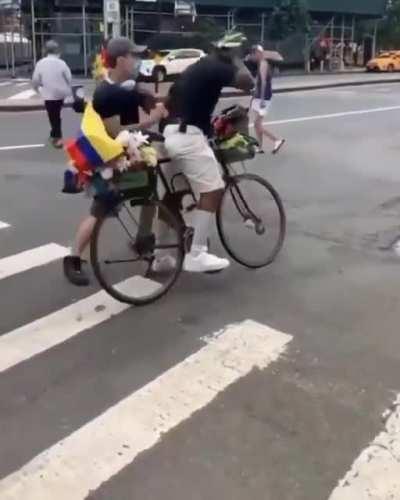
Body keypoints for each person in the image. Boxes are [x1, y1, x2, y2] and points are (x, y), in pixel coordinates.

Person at [63, 37, 158, 286]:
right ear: (122, 60)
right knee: (100, 210)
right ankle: (73, 259)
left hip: (125, 154)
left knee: (151, 196)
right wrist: (151, 121)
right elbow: (117, 132)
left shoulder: (121, 87)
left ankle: (144, 239)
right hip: (112, 160)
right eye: (134, 56)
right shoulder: (109, 93)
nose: (137, 61)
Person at [159, 33, 254, 273]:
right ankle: (197, 253)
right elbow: (247, 81)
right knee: (214, 189)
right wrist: (236, 59)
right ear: (229, 52)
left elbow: (172, 100)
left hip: (171, 132)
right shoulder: (218, 67)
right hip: (188, 137)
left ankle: (160, 256)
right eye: (237, 52)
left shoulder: (196, 67)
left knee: (172, 196)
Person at [32, 40, 72, 149]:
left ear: (46, 50)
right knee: (56, 114)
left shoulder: (40, 63)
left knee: (52, 115)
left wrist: (37, 89)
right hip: (61, 94)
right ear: (57, 50)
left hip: (48, 94)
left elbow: (35, 80)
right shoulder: (62, 63)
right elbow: (69, 77)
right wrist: (68, 88)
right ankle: (54, 134)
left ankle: (57, 138)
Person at [249, 44, 285, 155]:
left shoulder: (263, 64)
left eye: (253, 54)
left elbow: (264, 82)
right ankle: (260, 147)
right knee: (257, 124)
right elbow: (259, 82)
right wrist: (254, 94)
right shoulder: (261, 63)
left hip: (264, 97)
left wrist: (263, 100)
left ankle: (276, 140)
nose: (252, 57)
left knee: (257, 124)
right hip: (259, 96)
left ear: (257, 53)